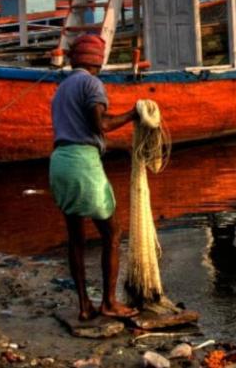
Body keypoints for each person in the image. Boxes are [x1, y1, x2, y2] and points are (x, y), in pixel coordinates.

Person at [49, 34, 138, 321]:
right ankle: (109, 303)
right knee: (112, 233)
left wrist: (124, 147)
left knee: (76, 237)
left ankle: (84, 305)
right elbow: (100, 125)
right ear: (98, 60)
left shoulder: (61, 89)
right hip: (82, 165)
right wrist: (133, 114)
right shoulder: (92, 83)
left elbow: (80, 135)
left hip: (60, 162)